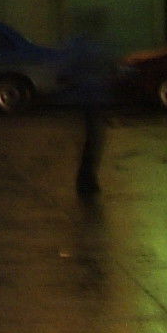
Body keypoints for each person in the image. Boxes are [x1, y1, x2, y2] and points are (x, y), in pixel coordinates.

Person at [59, 11, 114, 200]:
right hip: (92, 97)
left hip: (85, 97)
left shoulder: (77, 43)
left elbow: (66, 70)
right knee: (94, 140)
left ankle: (87, 179)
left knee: (90, 140)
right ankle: (87, 179)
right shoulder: (95, 44)